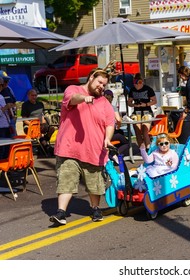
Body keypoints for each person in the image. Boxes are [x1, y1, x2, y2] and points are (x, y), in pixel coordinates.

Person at [49, 68, 115, 226]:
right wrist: (85, 98)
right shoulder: (73, 89)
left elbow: (110, 123)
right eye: (99, 82)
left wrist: (107, 138)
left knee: (95, 183)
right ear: (91, 77)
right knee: (66, 179)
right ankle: (61, 212)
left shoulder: (104, 102)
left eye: (104, 85)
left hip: (94, 150)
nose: (101, 87)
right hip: (69, 148)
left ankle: (95, 208)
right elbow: (72, 99)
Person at [127, 73, 157, 150]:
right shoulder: (132, 90)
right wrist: (134, 105)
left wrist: (146, 104)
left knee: (145, 131)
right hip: (136, 112)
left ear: (142, 82)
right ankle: (142, 149)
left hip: (147, 111)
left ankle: (148, 148)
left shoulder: (148, 89)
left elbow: (154, 101)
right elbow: (129, 102)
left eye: (139, 83)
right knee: (137, 132)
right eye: (135, 83)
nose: (136, 85)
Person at [21, 88, 54, 155]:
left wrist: (44, 122)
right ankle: (46, 146)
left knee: (52, 129)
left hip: (40, 123)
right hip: (30, 125)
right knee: (37, 131)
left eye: (35, 95)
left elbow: (42, 115)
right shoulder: (25, 105)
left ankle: (43, 144)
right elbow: (24, 119)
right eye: (32, 95)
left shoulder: (40, 104)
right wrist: (33, 125)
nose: (34, 97)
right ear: (28, 96)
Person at [0, 71, 16, 136]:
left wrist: (14, 114)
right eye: (5, 81)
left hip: (10, 120)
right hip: (1, 125)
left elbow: (14, 102)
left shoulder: (9, 89)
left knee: (13, 140)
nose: (7, 83)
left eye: (8, 81)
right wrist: (6, 107)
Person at [0, 77, 12, 159]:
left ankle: (6, 168)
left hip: (6, 125)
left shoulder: (1, 96)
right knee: (2, 149)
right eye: (1, 85)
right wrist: (5, 108)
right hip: (1, 127)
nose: (2, 86)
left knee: (7, 148)